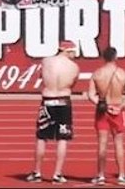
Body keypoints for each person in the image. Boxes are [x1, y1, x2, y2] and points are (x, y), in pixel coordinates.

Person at [26, 41, 80, 184]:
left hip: (48, 100)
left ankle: (37, 172)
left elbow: (41, 78)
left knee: (41, 137)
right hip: (63, 101)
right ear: (67, 51)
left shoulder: (46, 61)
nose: (75, 54)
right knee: (62, 138)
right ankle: (57, 173)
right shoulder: (74, 67)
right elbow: (73, 84)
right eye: (74, 51)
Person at [86, 46, 125, 185]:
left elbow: (91, 95)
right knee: (119, 143)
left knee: (102, 143)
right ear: (116, 57)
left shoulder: (97, 74)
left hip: (102, 111)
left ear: (103, 57)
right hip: (117, 110)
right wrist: (120, 107)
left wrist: (103, 105)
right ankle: (122, 175)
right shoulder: (122, 74)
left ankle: (100, 175)